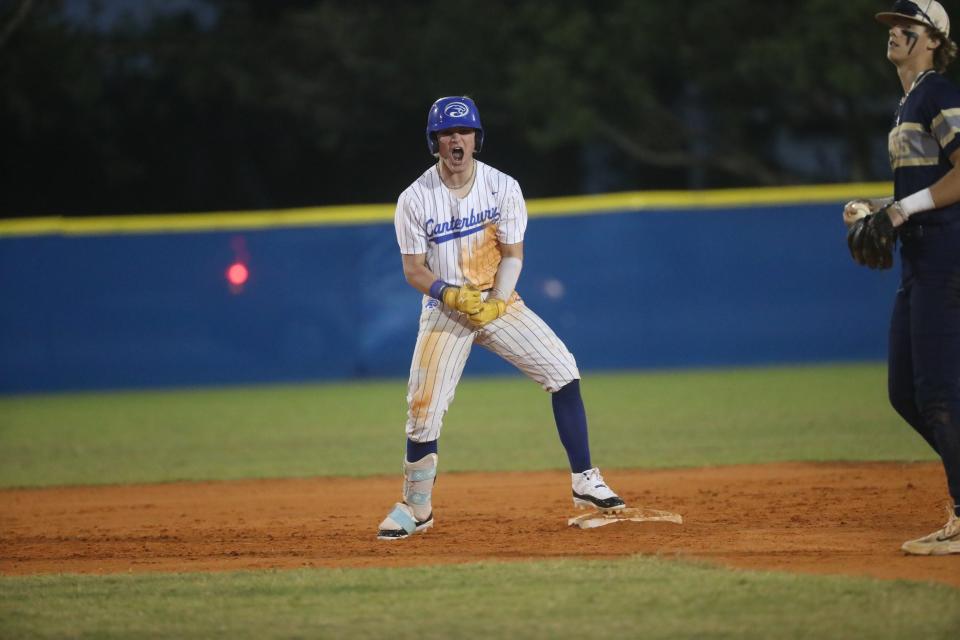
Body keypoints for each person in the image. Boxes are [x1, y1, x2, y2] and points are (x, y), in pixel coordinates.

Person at [377, 96, 625, 540]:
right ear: (434, 142)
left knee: (563, 370)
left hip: (499, 301)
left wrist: (497, 300)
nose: (457, 139)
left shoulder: (502, 187)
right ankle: (417, 509)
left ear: (477, 139)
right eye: (447, 134)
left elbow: (513, 255)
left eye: (465, 132)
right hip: (444, 310)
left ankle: (586, 481)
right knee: (423, 410)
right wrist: (449, 294)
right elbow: (414, 269)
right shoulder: (414, 199)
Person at [846, 0, 960, 555]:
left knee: (937, 393)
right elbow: (924, 187)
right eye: (892, 25)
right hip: (922, 260)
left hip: (947, 257)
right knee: (905, 394)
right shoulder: (907, 103)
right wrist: (879, 209)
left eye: (906, 26)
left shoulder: (939, 92)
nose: (894, 32)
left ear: (933, 39)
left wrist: (899, 211)